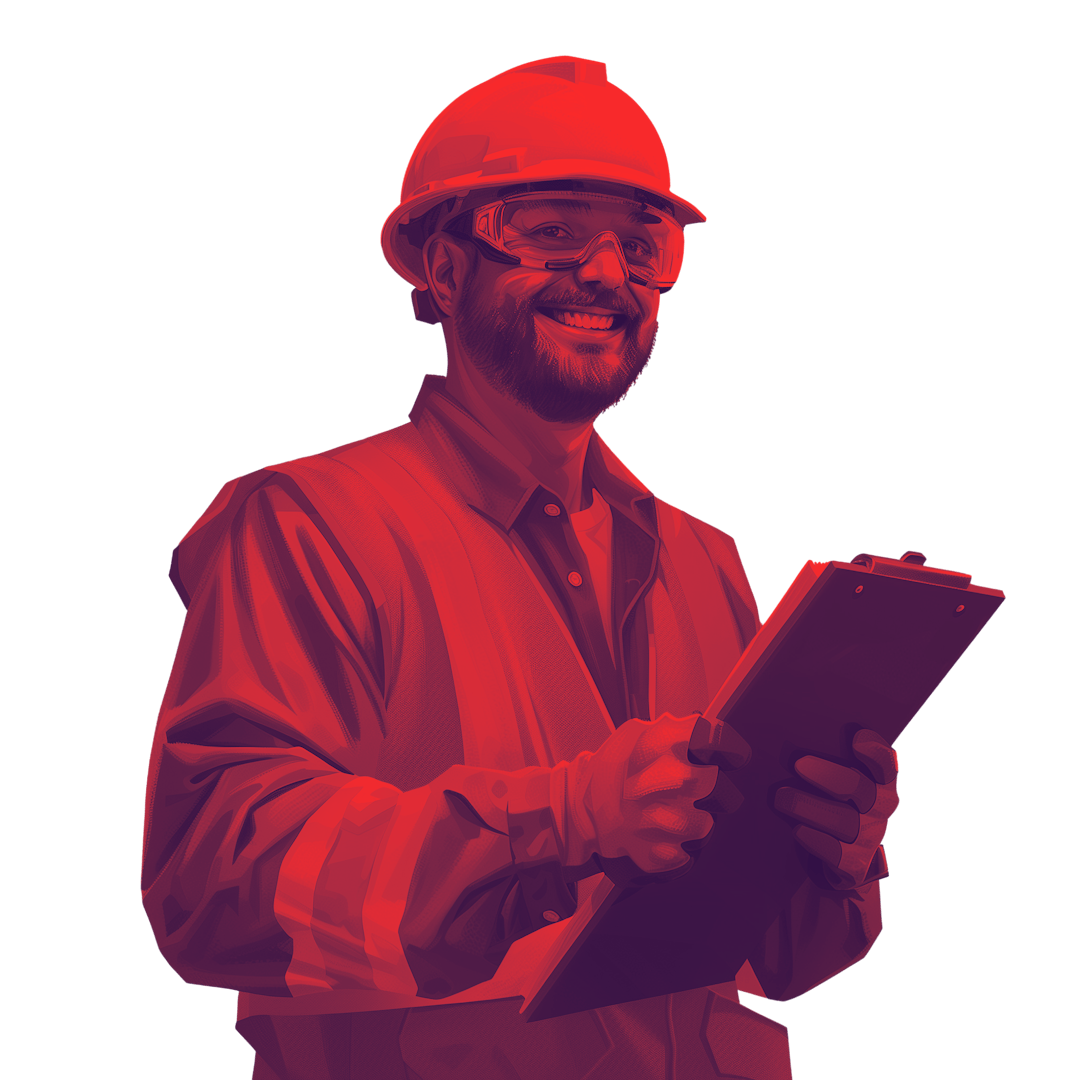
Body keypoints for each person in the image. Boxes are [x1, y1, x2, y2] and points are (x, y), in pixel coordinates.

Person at [141, 56, 899, 1080]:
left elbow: (777, 960)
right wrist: (564, 819)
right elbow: (214, 882)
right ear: (438, 267)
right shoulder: (311, 522)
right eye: (548, 232)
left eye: (642, 245)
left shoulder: (702, 559)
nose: (606, 274)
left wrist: (830, 858)